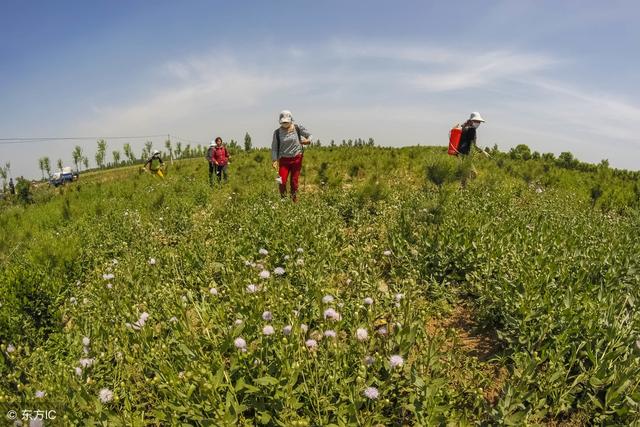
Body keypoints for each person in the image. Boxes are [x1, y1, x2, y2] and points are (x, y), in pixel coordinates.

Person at [271, 110, 312, 202]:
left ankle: (294, 200)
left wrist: (308, 140)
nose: (285, 123)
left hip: (297, 159)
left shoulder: (297, 128)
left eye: (287, 121)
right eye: (283, 122)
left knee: (294, 182)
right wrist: (274, 160)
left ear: (291, 120)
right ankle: (283, 200)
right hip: (283, 160)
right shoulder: (277, 132)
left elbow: (310, 135)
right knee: (281, 181)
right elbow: (274, 147)